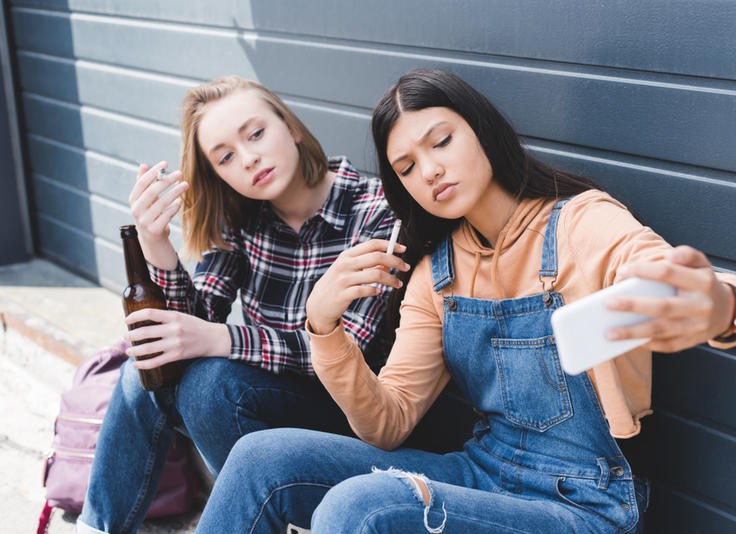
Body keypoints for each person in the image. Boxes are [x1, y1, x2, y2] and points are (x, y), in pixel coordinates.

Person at [194, 69, 736, 534]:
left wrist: (716, 304)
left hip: (586, 502)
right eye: (408, 167)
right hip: (482, 475)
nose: (431, 170)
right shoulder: (433, 275)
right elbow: (387, 425)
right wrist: (323, 325)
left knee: (359, 507)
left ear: (483, 130)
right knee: (259, 459)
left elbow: (676, 281)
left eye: (441, 141)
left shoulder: (582, 222)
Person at [77, 75, 478, 534]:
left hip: (361, 418)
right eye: (225, 156)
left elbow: (356, 344)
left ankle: (271, 514)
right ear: (216, 174)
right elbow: (194, 326)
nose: (249, 159)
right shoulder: (242, 221)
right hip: (273, 409)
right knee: (143, 368)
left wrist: (222, 338)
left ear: (292, 127)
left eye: (256, 134)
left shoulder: (375, 209)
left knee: (211, 384)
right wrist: (155, 244)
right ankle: (95, 528)